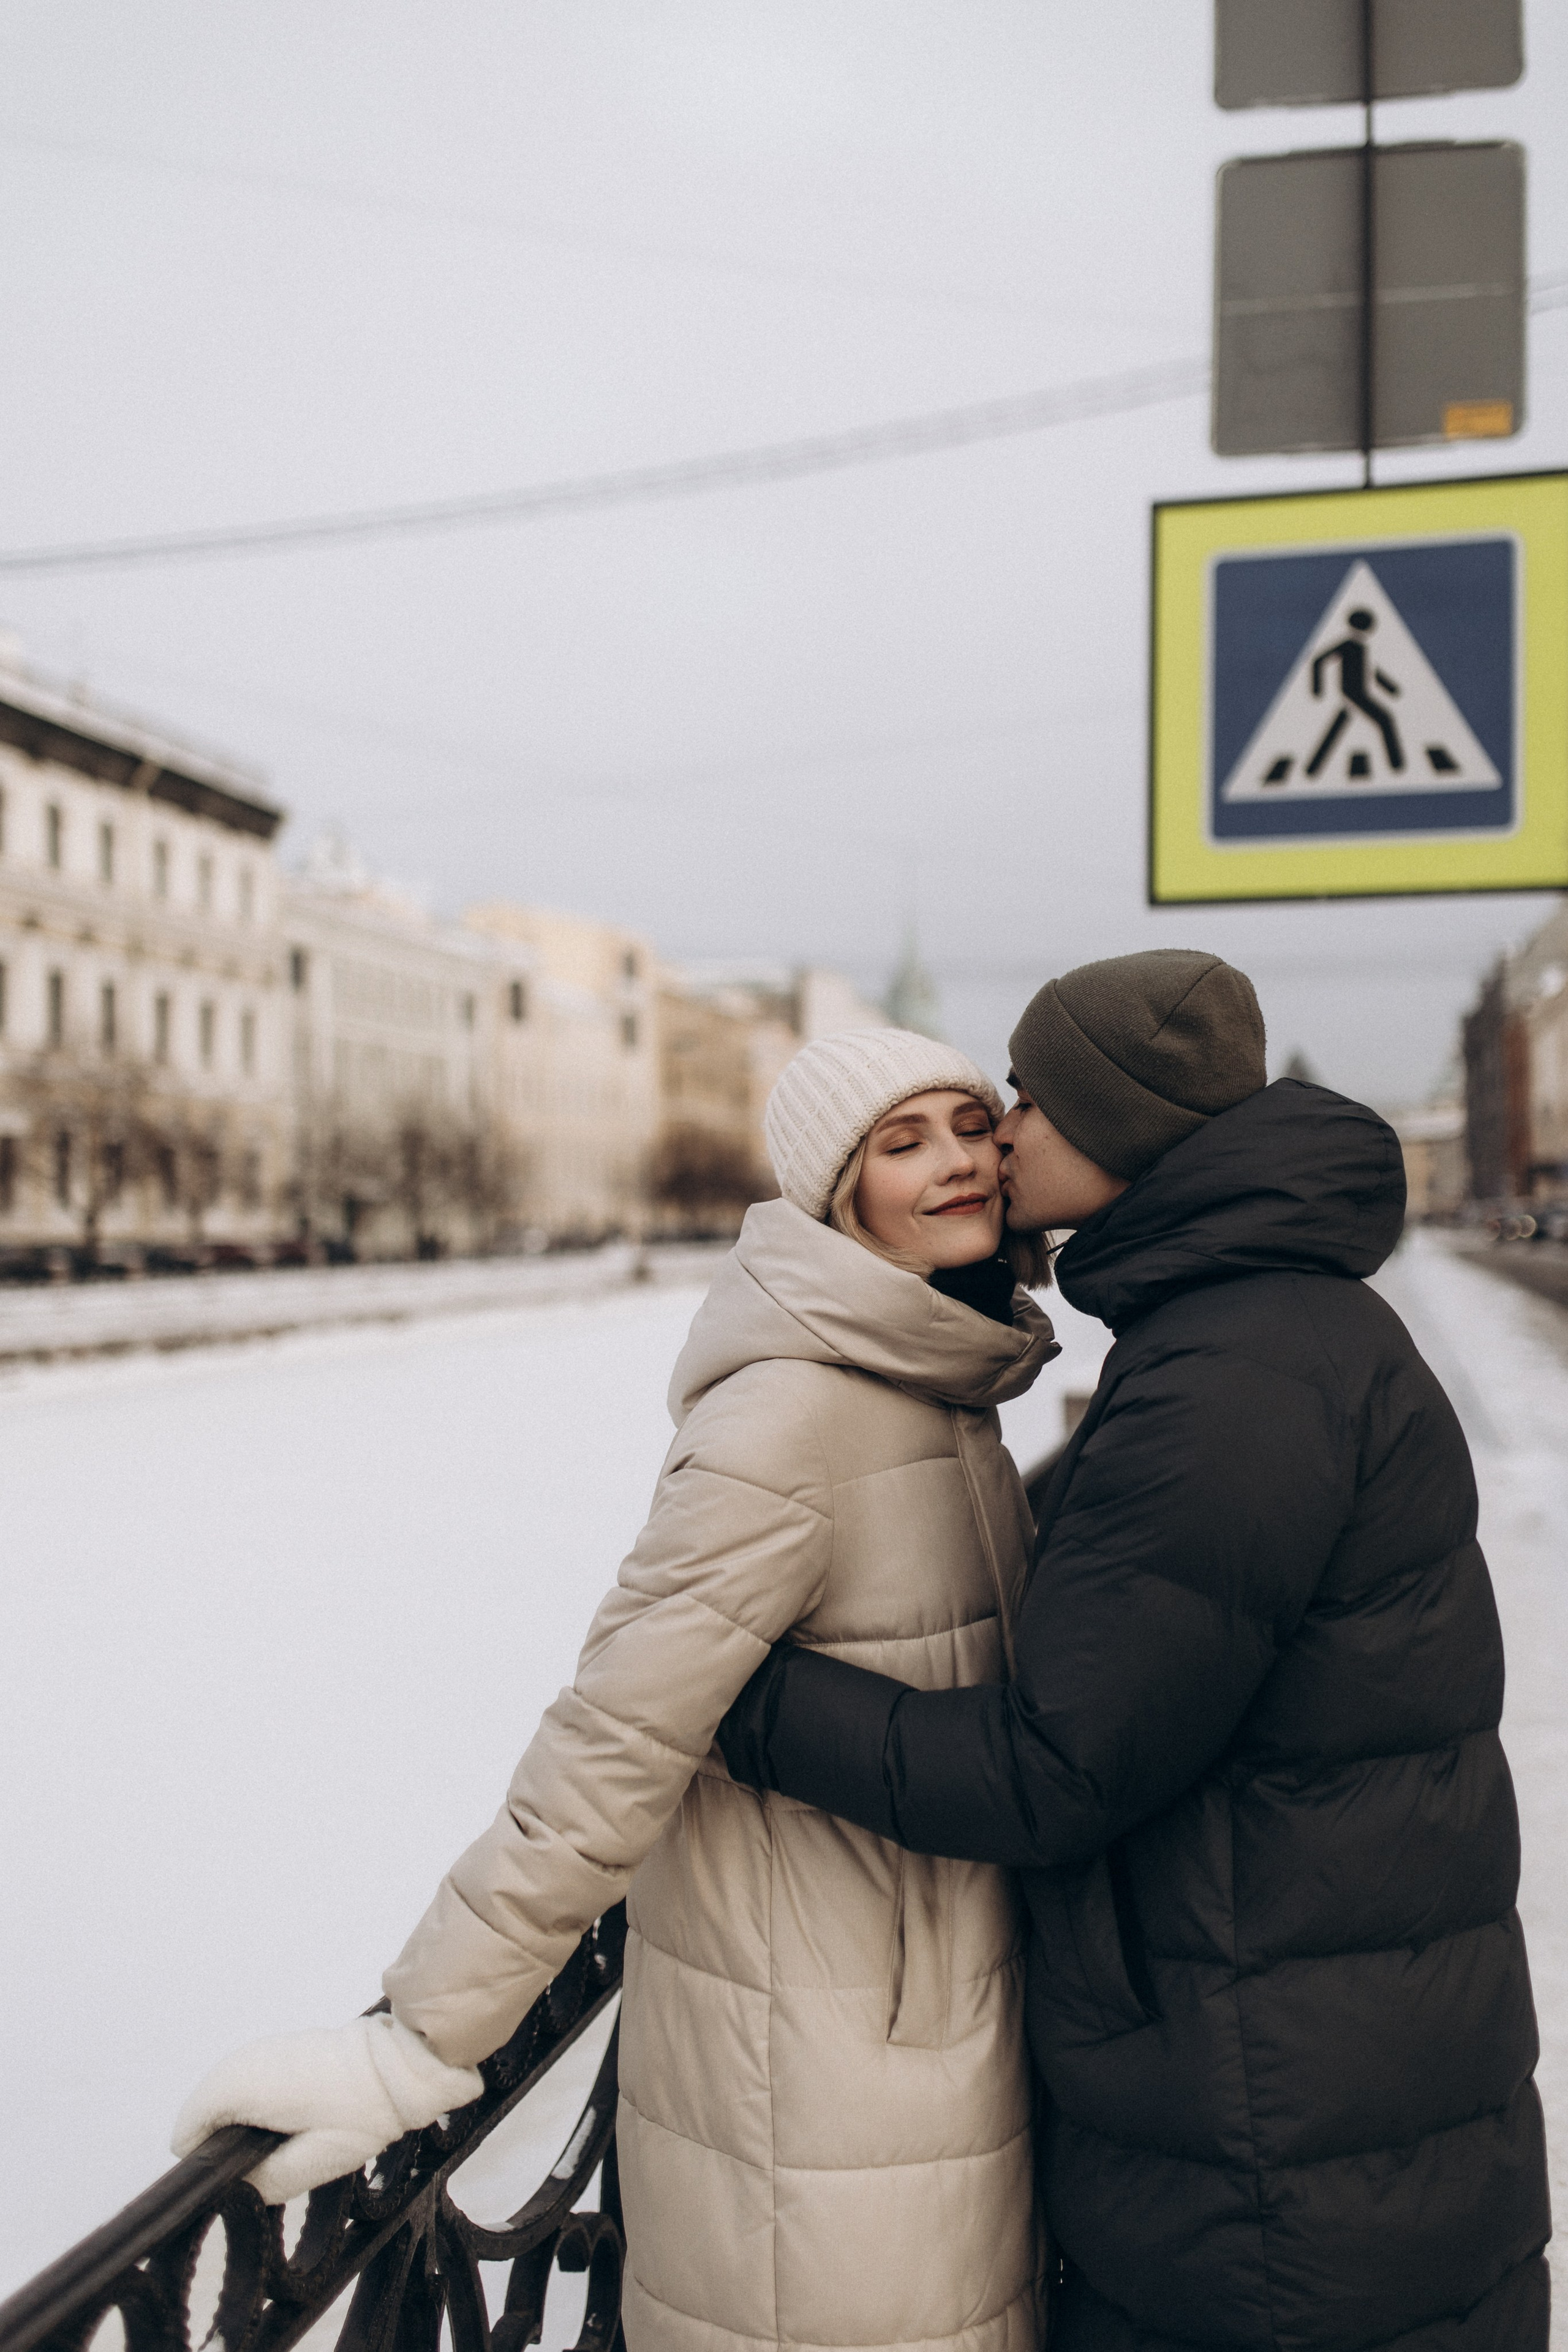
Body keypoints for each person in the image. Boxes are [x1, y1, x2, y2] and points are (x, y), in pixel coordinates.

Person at [174, 1027, 1061, 2352]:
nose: (956, 1162)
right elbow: (613, 1737)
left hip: (923, 2042)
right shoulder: (791, 1420)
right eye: (899, 1142)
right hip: (814, 2086)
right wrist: (423, 2039)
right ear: (835, 1192)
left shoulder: (942, 1388)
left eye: (967, 1122)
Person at [718, 949, 1550, 2352]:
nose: (999, 1128)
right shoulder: (1254, 1331)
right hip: (1314, 2114)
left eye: (1030, 1099)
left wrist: (745, 1696)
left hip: (1269, 2179)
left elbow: (1049, 1770)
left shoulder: (1232, 1375)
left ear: (1122, 1128)